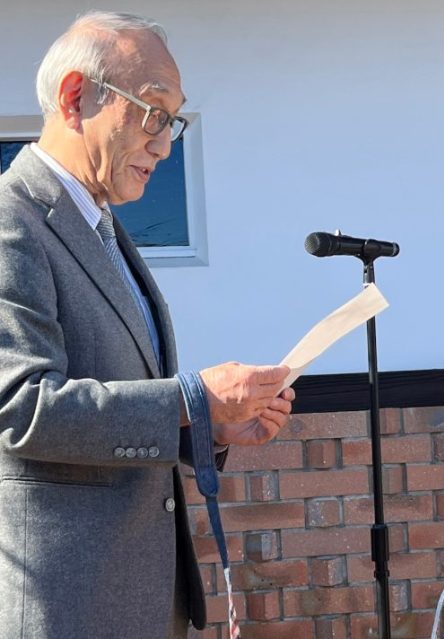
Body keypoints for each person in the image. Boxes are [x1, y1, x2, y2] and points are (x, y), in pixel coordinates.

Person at [0, 11, 294, 638]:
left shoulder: (101, 226)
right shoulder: (11, 223)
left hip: (141, 598)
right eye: (152, 111)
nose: (165, 143)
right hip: (70, 608)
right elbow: (22, 410)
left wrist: (209, 426)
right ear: (75, 97)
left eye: (173, 120)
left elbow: (121, 400)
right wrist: (192, 397)